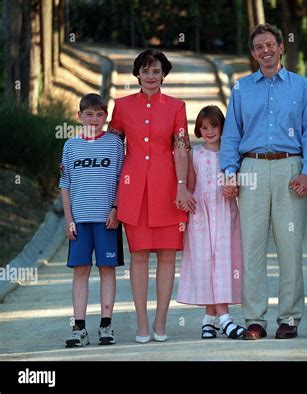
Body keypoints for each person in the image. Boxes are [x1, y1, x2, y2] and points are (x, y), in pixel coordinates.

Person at [220, 23, 307, 340]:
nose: (265, 50)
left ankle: (289, 318)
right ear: (253, 53)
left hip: (290, 169)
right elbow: (231, 134)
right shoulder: (241, 89)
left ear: (281, 47)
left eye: (270, 45)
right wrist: (229, 172)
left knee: (290, 248)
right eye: (259, 47)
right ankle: (254, 319)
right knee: (252, 248)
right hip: (251, 169)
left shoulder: (302, 87)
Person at [107, 49, 195, 343]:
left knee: (168, 257)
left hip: (167, 188)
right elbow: (112, 148)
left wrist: (182, 185)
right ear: (137, 74)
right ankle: (142, 322)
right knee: (140, 256)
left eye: (156, 71)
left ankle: (161, 321)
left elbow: (182, 146)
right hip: (134, 191)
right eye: (145, 71)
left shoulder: (176, 107)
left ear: (163, 75)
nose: (151, 76)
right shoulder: (120, 107)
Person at [60, 93, 124, 347]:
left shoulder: (114, 144)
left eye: (100, 114)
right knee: (81, 270)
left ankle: (106, 326)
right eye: (89, 114)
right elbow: (65, 184)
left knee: (107, 269)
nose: (94, 119)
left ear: (106, 117)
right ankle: (79, 328)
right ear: (79, 116)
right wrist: (68, 220)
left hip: (106, 218)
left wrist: (116, 209)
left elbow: (121, 179)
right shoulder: (70, 146)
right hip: (80, 219)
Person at [177, 106, 246, 339]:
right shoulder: (194, 154)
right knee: (206, 265)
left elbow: (238, 184)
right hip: (201, 215)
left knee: (223, 265)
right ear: (198, 130)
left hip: (225, 211)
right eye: (204, 127)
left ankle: (210, 320)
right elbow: (191, 185)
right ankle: (224, 319)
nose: (209, 131)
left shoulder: (231, 154)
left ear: (222, 127)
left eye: (214, 126)